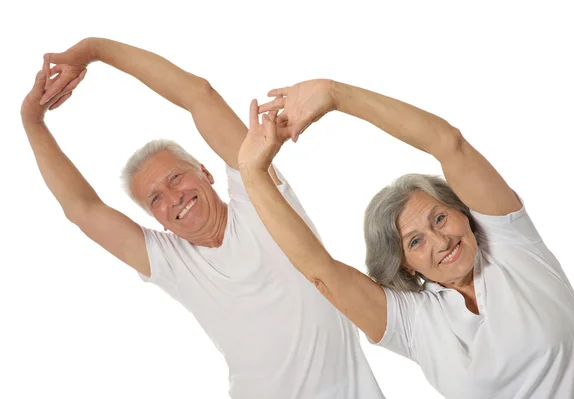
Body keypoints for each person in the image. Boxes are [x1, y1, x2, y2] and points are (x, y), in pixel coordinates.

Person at [20, 39, 385, 399]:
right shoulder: (173, 262)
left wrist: (94, 51)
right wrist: (32, 122)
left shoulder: (258, 194)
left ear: (206, 173)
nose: (173, 197)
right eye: (155, 199)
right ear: (156, 219)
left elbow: (198, 95)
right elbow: (82, 210)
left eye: (176, 177)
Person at [238, 79, 574, 398]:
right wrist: (253, 173)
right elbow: (321, 272)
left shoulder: (512, 245)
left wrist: (336, 95)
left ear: (465, 214)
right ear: (406, 267)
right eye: (415, 242)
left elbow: (448, 143)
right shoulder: (414, 321)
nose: (440, 241)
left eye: (439, 218)